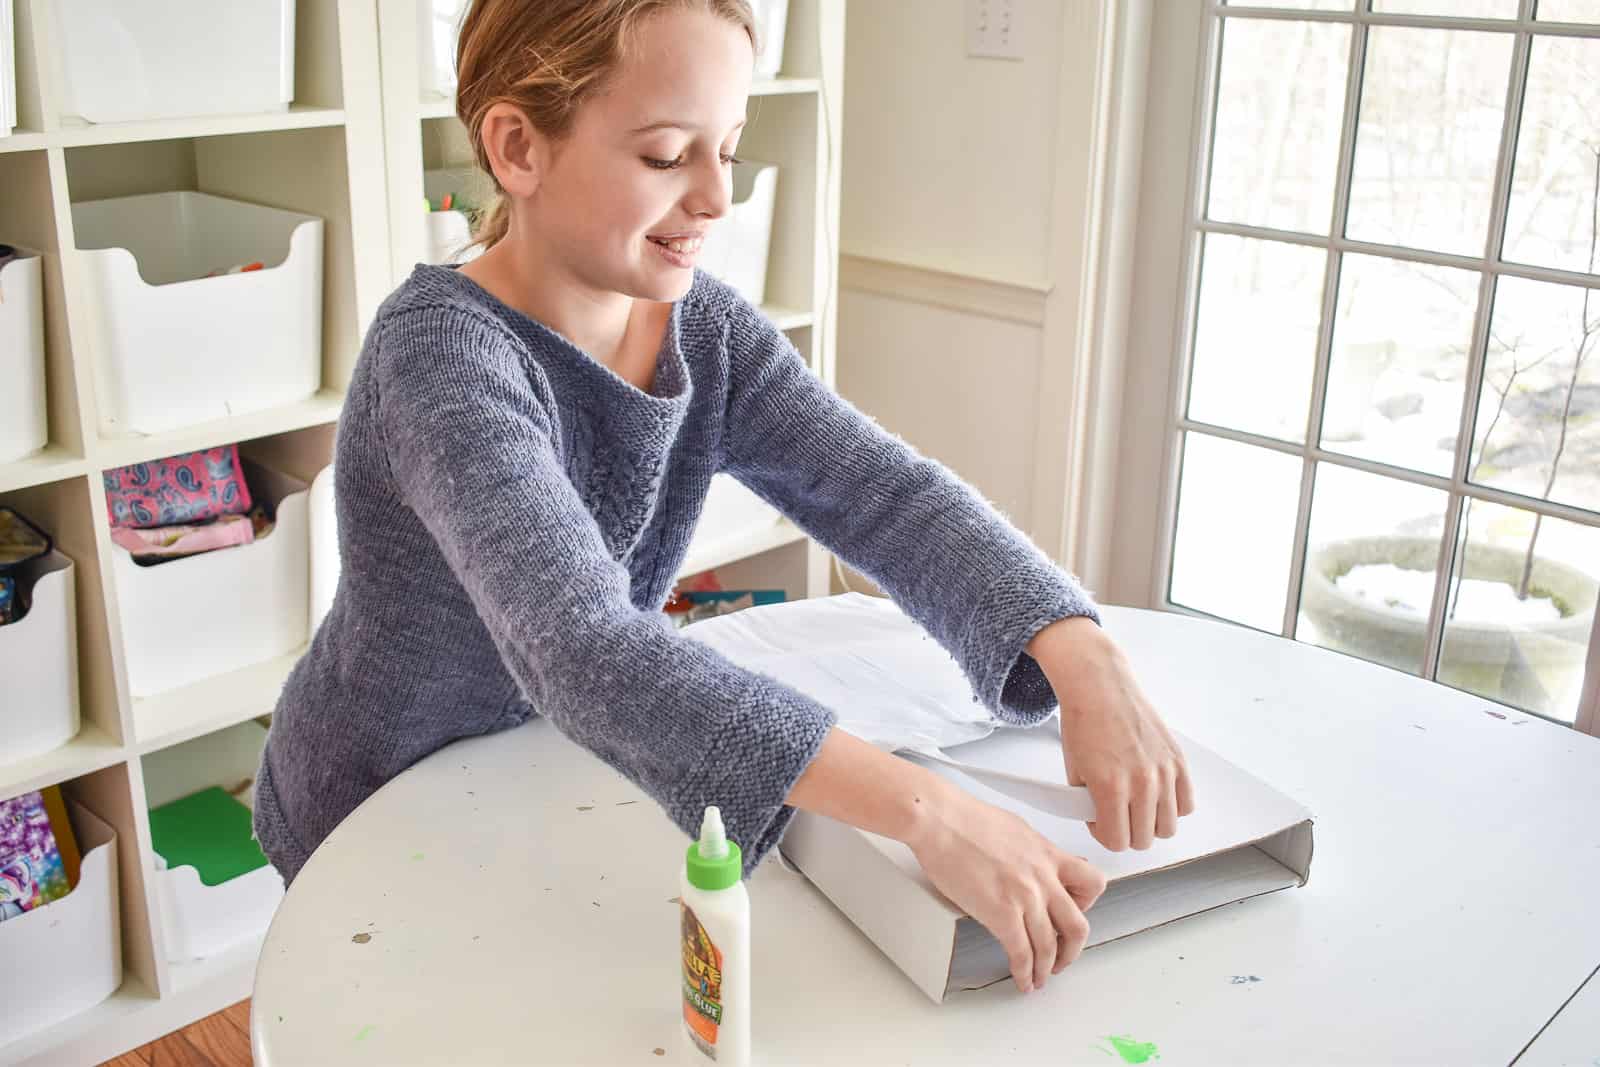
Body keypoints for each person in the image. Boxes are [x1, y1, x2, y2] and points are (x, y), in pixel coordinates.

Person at [253, 0, 1195, 995]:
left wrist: (1076, 645)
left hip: (542, 769)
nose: (714, 198)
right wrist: (928, 810)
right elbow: (582, 642)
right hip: (380, 798)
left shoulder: (702, 329)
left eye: (728, 153)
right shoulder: (442, 356)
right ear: (518, 146)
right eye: (666, 156)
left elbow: (880, 492)